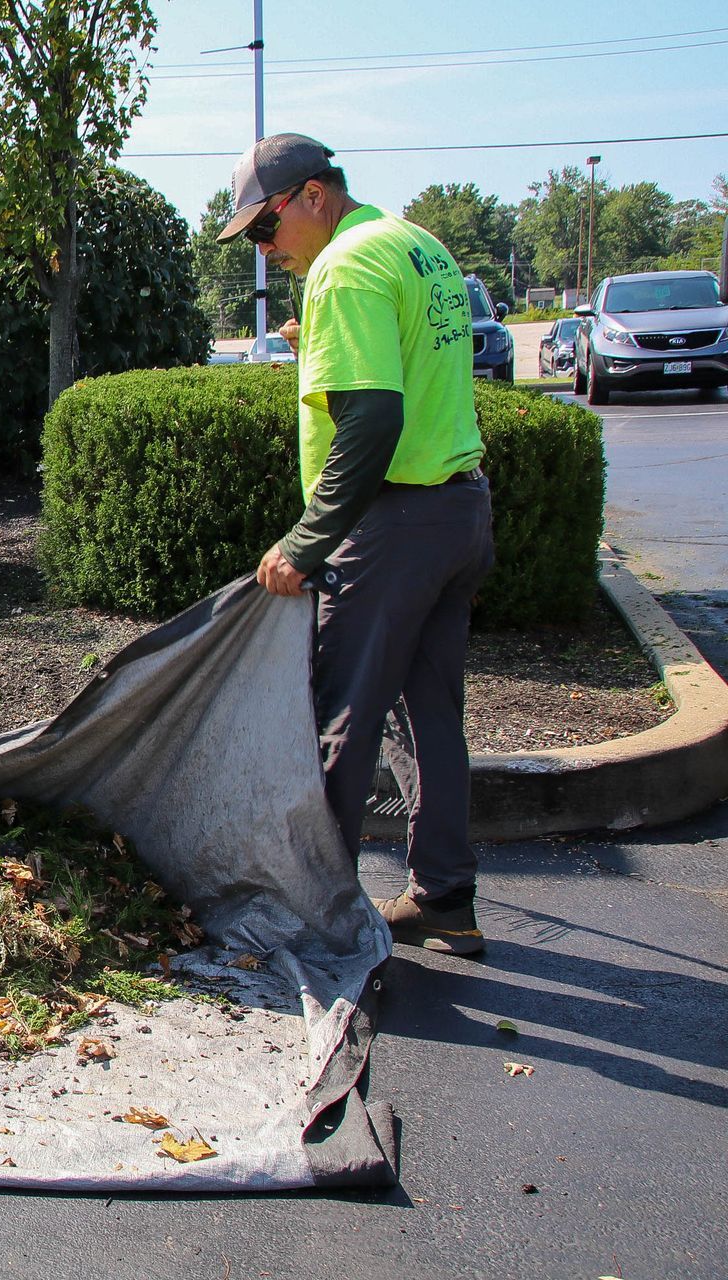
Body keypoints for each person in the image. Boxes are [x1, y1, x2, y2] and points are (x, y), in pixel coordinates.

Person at [217, 134, 496, 956]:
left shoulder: (345, 265)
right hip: (457, 512)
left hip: (393, 530)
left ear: (310, 195)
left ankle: (318, 916)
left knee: (342, 718)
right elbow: (409, 371)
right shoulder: (417, 246)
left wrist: (308, 543)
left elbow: (374, 421)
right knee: (431, 716)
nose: (265, 253)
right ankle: (446, 899)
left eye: (265, 231)